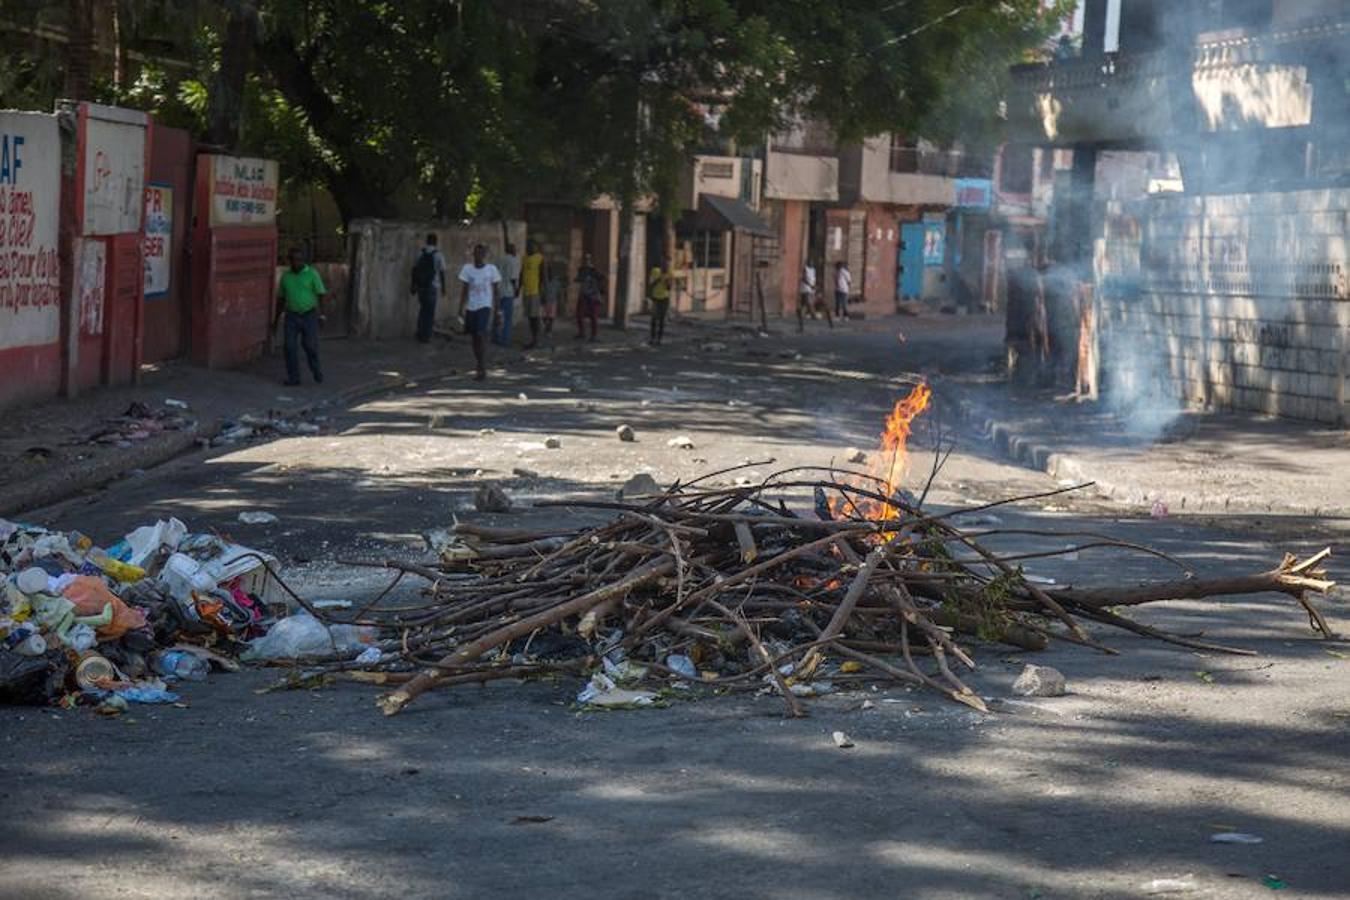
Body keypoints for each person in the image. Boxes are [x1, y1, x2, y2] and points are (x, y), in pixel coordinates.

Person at [275, 247, 326, 386]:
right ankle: (294, 377)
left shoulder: (312, 274)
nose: (296, 263)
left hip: (309, 314)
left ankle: (315, 368)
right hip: (291, 315)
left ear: (304, 260)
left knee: (310, 345)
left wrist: (322, 315)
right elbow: (281, 299)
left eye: (299, 260)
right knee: (289, 347)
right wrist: (276, 319)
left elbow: (321, 294)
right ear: (289, 261)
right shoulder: (286, 276)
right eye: (293, 260)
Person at [458, 243, 502, 381]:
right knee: (474, 337)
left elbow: (496, 291)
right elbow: (465, 289)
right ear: (473, 255)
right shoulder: (467, 269)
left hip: (485, 305)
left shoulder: (491, 269)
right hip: (471, 306)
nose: (478, 256)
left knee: (480, 333)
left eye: (481, 253)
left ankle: (481, 366)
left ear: (484, 255)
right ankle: (479, 362)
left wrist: (497, 311)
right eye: (476, 253)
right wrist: (460, 307)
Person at [409, 233, 446, 343]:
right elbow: (442, 272)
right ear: (436, 242)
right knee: (430, 312)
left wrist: (413, 285)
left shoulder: (420, 253)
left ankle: (420, 333)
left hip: (421, 286)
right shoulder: (439, 255)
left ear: (427, 241)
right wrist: (444, 288)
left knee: (422, 310)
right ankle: (426, 335)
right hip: (432, 286)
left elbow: (414, 270)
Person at [494, 242, 522, 347]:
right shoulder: (513, 261)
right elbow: (513, 278)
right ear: (511, 250)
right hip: (508, 291)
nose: (516, 251)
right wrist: (516, 290)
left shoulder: (499, 259)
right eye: (515, 249)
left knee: (498, 314)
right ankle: (505, 339)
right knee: (507, 317)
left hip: (499, 290)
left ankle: (496, 336)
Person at [574, 252, 605, 341]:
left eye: (589, 259)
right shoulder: (581, 270)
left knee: (593, 316)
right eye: (585, 259)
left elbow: (602, 279)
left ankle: (594, 335)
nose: (587, 261)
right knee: (579, 314)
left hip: (593, 296)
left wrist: (598, 288)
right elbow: (578, 279)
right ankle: (582, 333)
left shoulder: (595, 271)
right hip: (584, 295)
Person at [520, 239, 545, 349]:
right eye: (528, 246)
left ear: (536, 247)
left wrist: (543, 292)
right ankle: (533, 339)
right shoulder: (524, 258)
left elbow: (543, 277)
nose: (529, 248)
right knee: (530, 317)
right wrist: (518, 288)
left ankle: (537, 340)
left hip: (535, 292)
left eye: (531, 246)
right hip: (526, 291)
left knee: (535, 317)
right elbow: (522, 273)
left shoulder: (540, 258)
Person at [647, 263, 672, 345]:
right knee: (654, 319)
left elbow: (669, 288)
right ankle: (652, 338)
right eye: (665, 265)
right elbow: (651, 285)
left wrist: (667, 281)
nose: (666, 267)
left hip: (664, 299)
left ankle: (659, 339)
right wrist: (659, 279)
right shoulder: (655, 271)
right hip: (656, 298)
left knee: (662, 320)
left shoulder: (669, 274)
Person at [541, 261, 564, 337]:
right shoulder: (544, 281)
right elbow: (542, 290)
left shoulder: (556, 282)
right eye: (548, 272)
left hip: (553, 301)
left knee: (551, 317)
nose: (550, 273)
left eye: (551, 272)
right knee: (544, 317)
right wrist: (542, 297)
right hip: (545, 301)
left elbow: (559, 292)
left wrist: (561, 301)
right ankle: (546, 327)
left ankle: (549, 330)